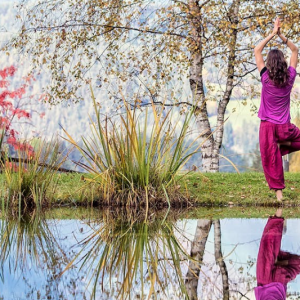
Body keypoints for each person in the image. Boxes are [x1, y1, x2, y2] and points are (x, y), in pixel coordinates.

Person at [254, 18, 299, 201]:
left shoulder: (265, 78)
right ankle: (282, 146)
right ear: (282, 63)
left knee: (271, 158)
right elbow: (295, 50)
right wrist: (281, 36)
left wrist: (272, 33)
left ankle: (279, 198)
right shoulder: (289, 78)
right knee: (275, 154)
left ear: (270, 64)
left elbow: (257, 50)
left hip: (268, 127)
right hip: (284, 128)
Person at [255, 208, 300, 300]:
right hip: (265, 281)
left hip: (280, 283)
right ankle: (279, 210)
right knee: (268, 243)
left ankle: (279, 218)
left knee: (297, 264)